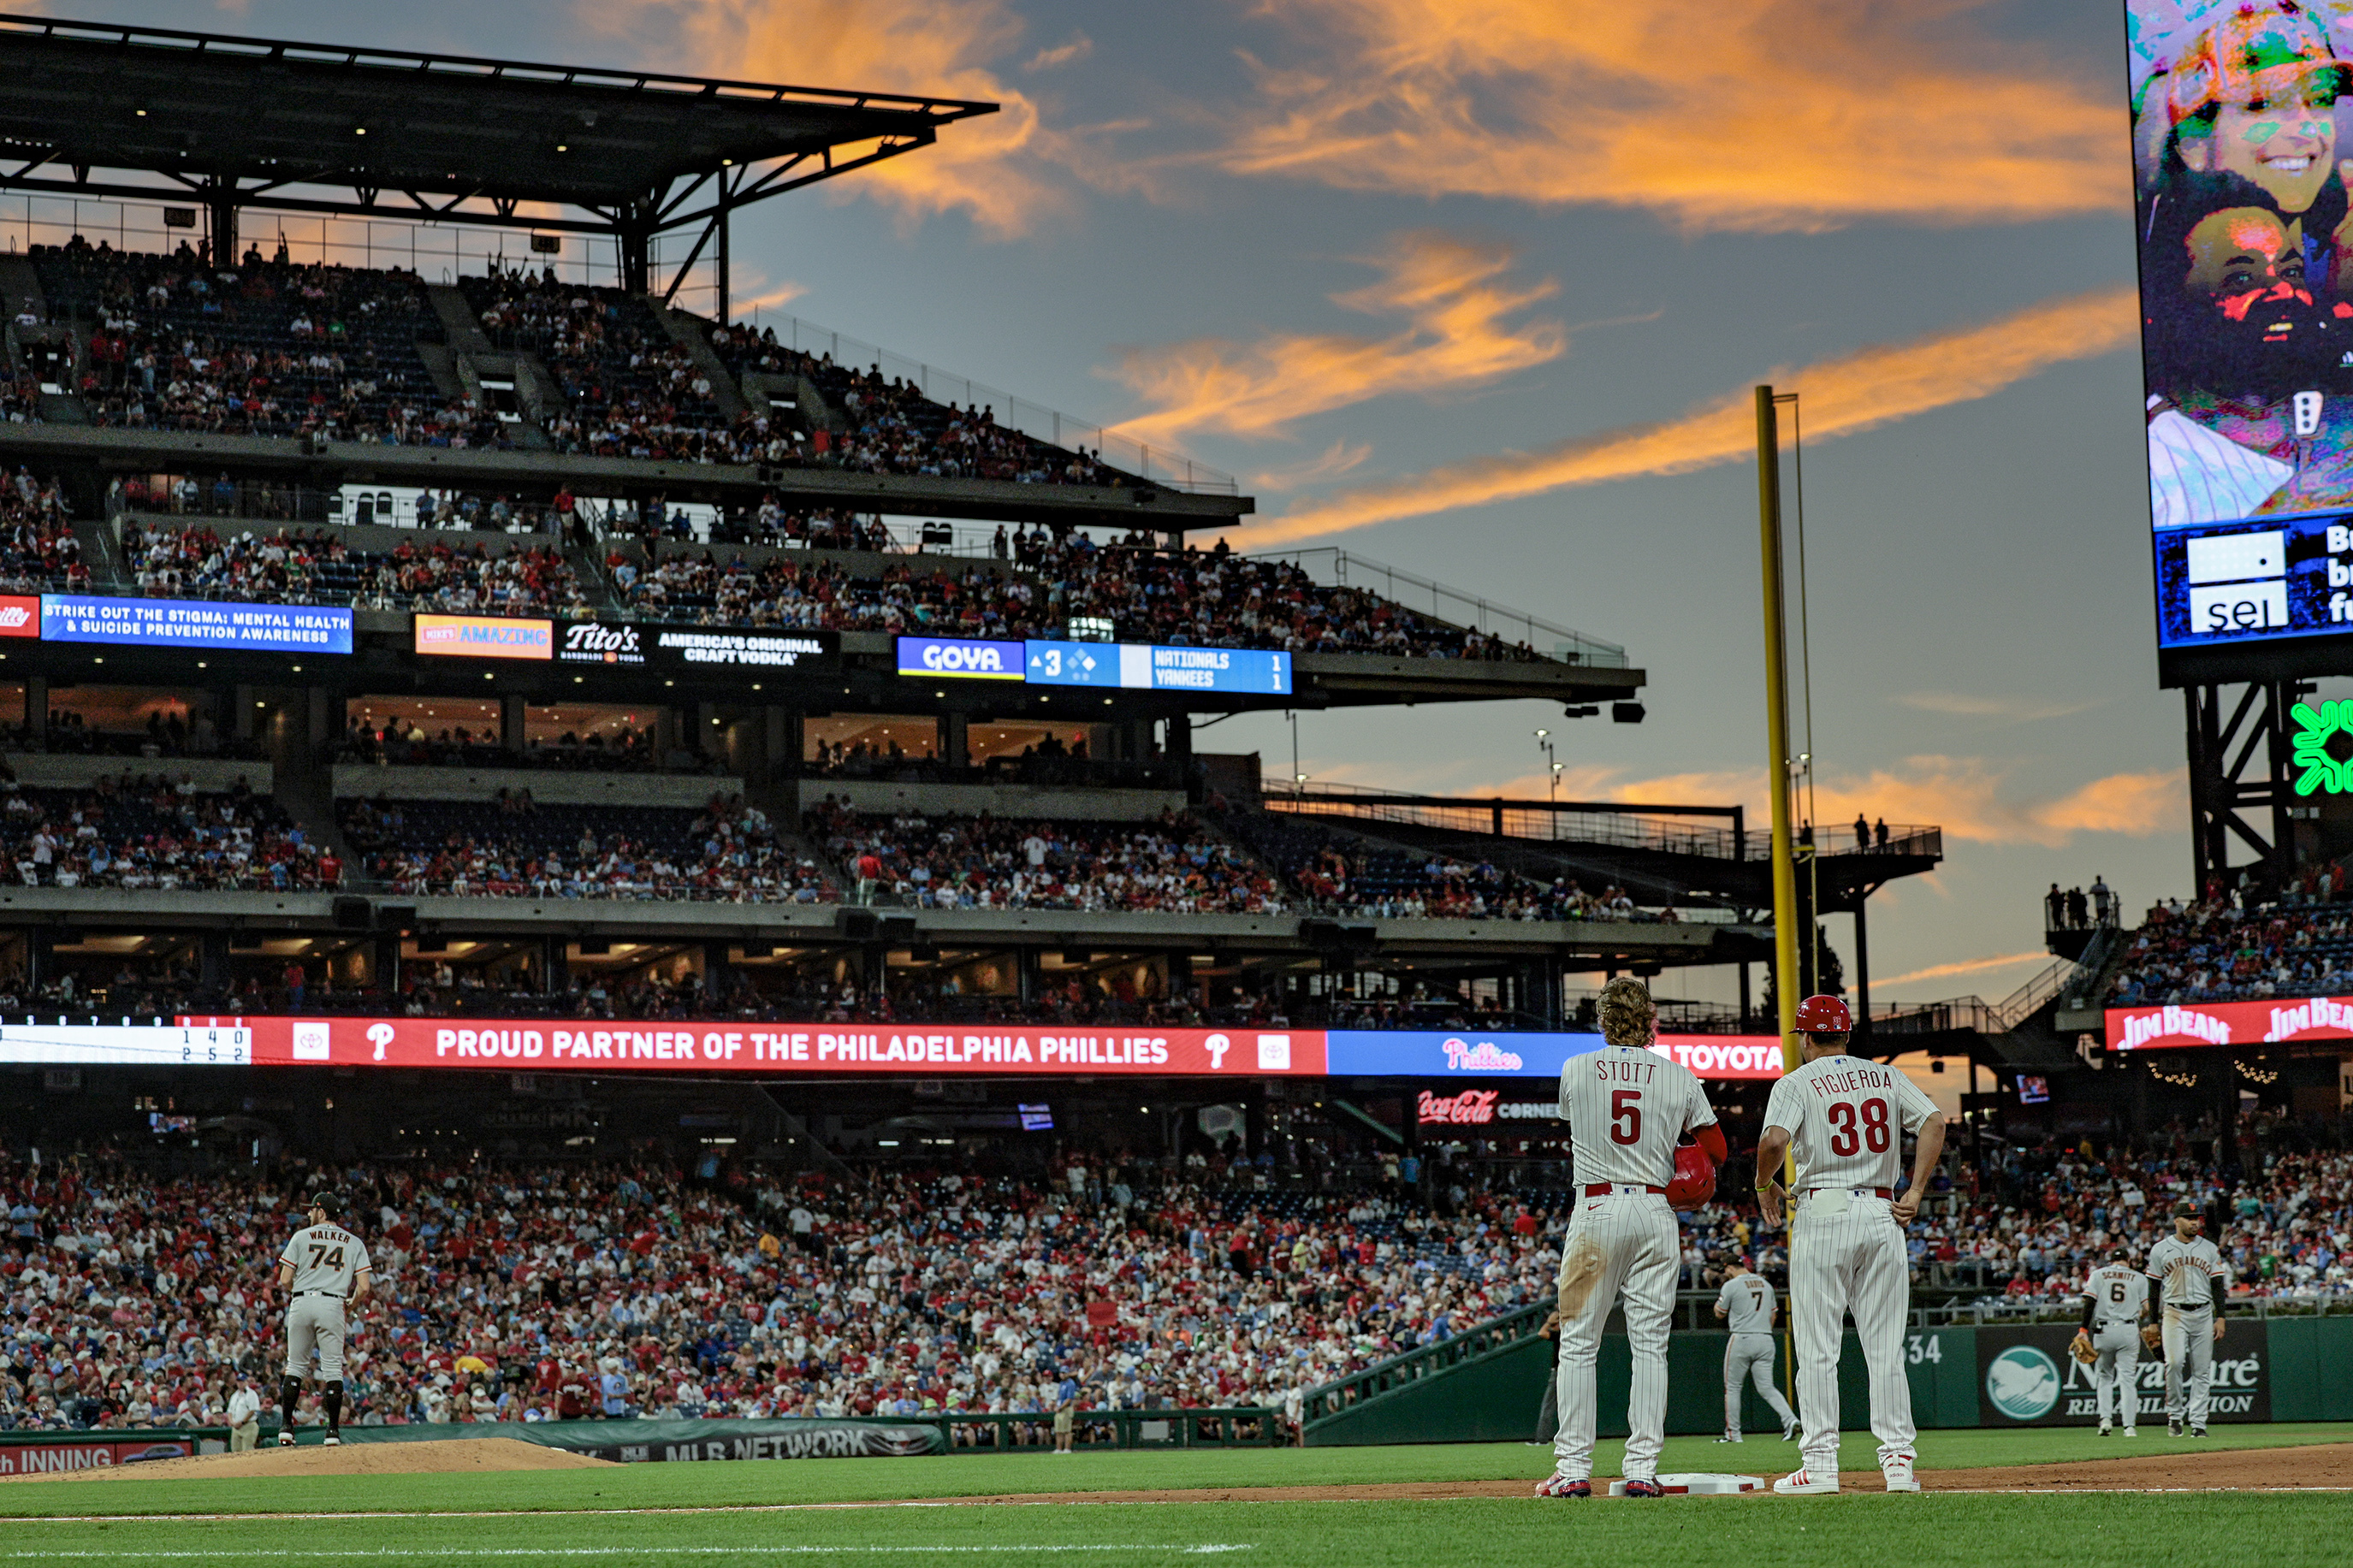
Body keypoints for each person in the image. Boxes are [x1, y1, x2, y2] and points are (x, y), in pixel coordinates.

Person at [1535, 976, 1726, 1500]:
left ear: (1602, 1020)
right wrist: (1676, 1147)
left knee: (1577, 1343)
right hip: (1654, 1209)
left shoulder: (1575, 1069)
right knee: (1649, 1347)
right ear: (1650, 1021)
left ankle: (1573, 1469)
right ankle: (1642, 1467)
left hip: (1596, 1209)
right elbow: (1719, 1149)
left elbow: (1575, 1120)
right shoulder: (1679, 1075)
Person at [1756, 993, 1947, 1495]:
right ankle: (1899, 1466)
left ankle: (1819, 1466)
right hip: (1884, 1211)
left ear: (1804, 1037)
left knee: (1819, 1350)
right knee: (1884, 1349)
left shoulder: (1796, 1081)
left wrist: (1761, 1184)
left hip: (1825, 1210)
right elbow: (1935, 1121)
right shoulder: (1883, 1075)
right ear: (1844, 1034)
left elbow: (1774, 1142)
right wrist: (1917, 1190)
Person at [275, 1192, 372, 1448]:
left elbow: (285, 1280)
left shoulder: (301, 1236)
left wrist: (301, 1292)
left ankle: (286, 1427)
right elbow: (364, 1287)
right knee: (332, 1369)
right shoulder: (354, 1242)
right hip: (333, 1303)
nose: (308, 1214)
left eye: (312, 1210)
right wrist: (352, 1304)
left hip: (302, 1300)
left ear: (321, 1211)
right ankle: (332, 1432)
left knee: (295, 1365)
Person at [2144, 1198, 2231, 1438]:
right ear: (2177, 1221)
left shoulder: (2209, 1248)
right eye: (2190, 1218)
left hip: (2203, 1312)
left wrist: (2221, 1317)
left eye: (2197, 1218)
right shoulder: (2160, 1249)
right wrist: (2153, 1321)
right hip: (2174, 1312)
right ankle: (2174, 1415)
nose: (2195, 1222)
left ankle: (2199, 1423)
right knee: (2173, 1363)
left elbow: (2217, 1284)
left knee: (2202, 1371)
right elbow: (2153, 1288)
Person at [1712, 1257, 1798, 1444]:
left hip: (1742, 1337)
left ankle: (1733, 1435)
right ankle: (1790, 1420)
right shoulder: (1765, 1284)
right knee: (1767, 1387)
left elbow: (1719, 1312)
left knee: (1733, 1388)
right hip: (1766, 1338)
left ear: (1729, 1267)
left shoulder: (1731, 1285)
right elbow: (1773, 1315)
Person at [2074, 1251, 2149, 1437]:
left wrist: (2083, 1330)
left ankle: (2106, 1420)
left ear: (2111, 1261)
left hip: (2104, 1330)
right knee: (2128, 1379)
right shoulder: (2139, 1278)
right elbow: (2148, 1308)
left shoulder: (2099, 1274)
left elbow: (2089, 1302)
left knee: (2104, 1377)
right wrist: (2139, 1316)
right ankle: (2129, 1427)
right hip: (2128, 1329)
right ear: (2128, 1261)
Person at [226, 1377, 262, 1453]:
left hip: (248, 1425)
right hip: (236, 1427)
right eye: (239, 1382)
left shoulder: (251, 1394)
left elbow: (252, 1410)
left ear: (247, 1382)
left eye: (242, 1381)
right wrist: (232, 1422)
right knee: (235, 1451)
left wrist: (242, 1422)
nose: (240, 1383)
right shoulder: (235, 1395)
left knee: (248, 1451)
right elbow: (229, 1411)